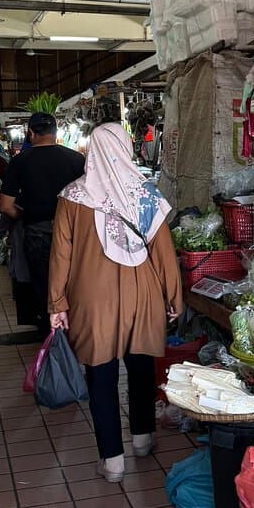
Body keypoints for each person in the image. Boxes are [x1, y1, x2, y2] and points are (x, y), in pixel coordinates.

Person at [48, 122, 183, 482]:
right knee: (140, 365)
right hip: (144, 291)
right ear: (126, 148)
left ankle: (112, 460)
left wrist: (57, 303)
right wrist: (174, 297)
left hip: (92, 295)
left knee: (101, 374)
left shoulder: (73, 196)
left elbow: (60, 254)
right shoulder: (148, 195)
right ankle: (142, 439)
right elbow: (164, 254)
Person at [0, 112, 84, 334]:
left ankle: (51, 337)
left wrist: (26, 216)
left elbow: (5, 205)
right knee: (74, 283)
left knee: (44, 287)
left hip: (36, 233)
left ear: (31, 133)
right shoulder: (77, 159)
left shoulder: (19, 162)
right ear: (56, 133)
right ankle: (76, 333)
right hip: (73, 234)